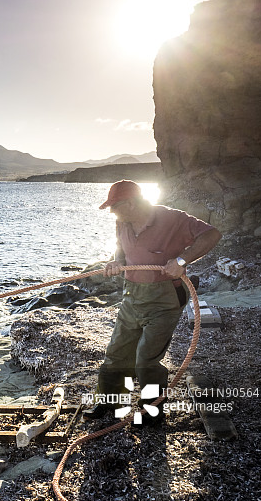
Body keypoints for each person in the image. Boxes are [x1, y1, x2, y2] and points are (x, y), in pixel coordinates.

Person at [85, 180, 222, 423]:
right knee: (116, 352)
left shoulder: (173, 219)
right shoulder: (122, 221)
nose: (111, 211)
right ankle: (109, 402)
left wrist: (181, 261)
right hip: (132, 297)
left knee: (146, 358)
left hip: (165, 299)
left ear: (130, 203)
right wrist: (116, 261)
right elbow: (121, 249)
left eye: (114, 206)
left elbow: (212, 234)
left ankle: (151, 410)